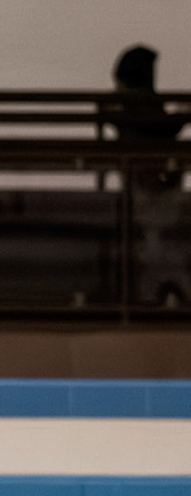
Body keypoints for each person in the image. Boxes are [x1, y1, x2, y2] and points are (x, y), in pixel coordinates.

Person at [105, 45, 188, 305]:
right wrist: (183, 116)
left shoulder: (119, 106)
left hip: (139, 187)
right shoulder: (143, 106)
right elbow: (161, 127)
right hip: (156, 190)